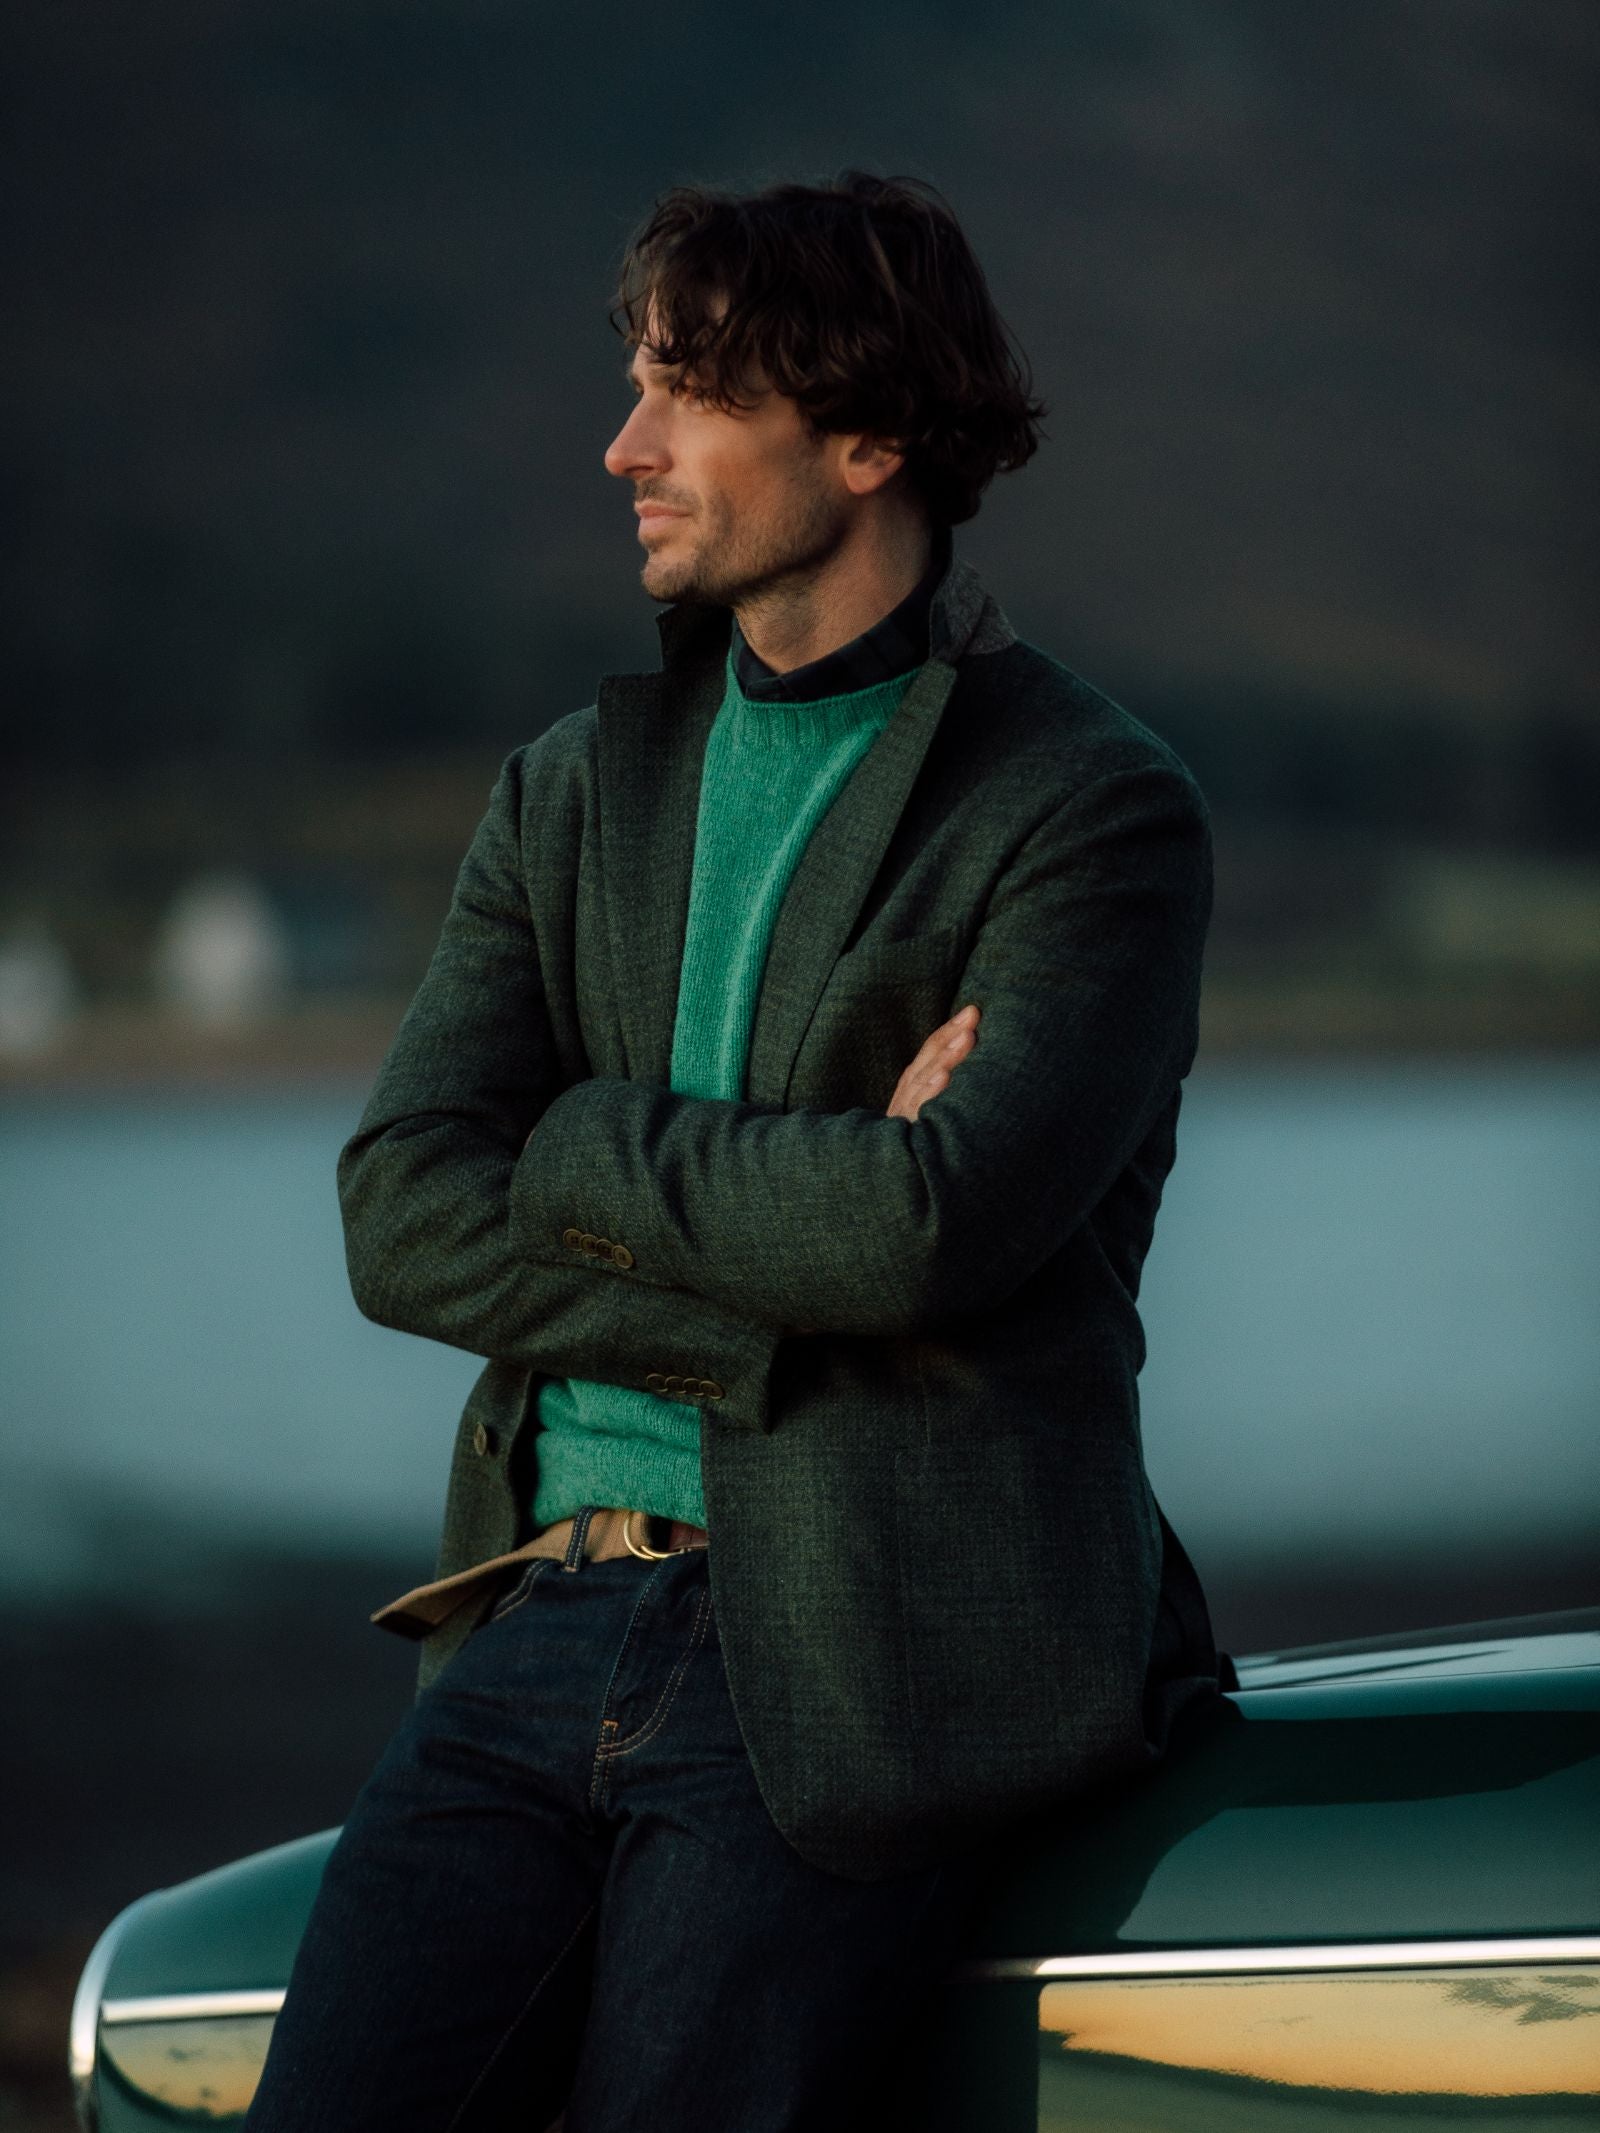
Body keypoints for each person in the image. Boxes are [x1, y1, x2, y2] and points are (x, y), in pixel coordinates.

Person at [244, 167, 1227, 2133]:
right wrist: (796, 1239)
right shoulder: (573, 790)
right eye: (635, 385)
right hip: (527, 1625)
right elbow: (396, 1212)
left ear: (864, 439)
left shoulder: (1084, 811)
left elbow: (924, 1230)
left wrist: (585, 1146)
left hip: (849, 1673)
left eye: (685, 393)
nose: (625, 445)